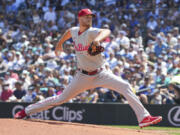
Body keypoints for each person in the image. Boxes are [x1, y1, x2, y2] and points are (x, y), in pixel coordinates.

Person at [14, 8, 162, 128]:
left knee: (125, 86)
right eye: (86, 17)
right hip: (82, 76)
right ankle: (26, 111)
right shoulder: (74, 31)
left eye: (91, 17)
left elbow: (106, 31)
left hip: (101, 73)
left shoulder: (91, 32)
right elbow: (67, 33)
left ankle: (144, 118)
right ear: (80, 18)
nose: (89, 19)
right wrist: (59, 44)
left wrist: (97, 40)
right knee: (60, 98)